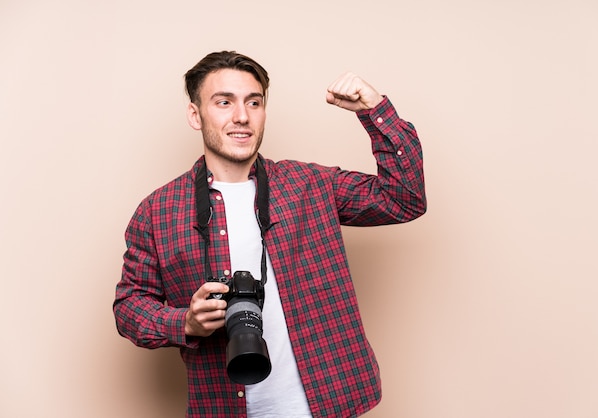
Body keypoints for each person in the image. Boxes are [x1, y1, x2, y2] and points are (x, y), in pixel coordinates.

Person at [113, 50, 426, 418]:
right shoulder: (158, 212)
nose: (242, 116)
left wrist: (375, 111)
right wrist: (185, 322)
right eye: (224, 102)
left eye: (254, 102)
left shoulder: (309, 185)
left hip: (328, 403)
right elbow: (129, 307)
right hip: (224, 406)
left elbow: (404, 198)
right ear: (195, 115)